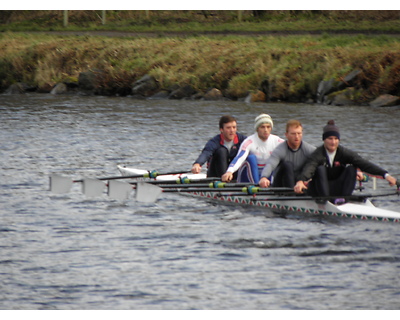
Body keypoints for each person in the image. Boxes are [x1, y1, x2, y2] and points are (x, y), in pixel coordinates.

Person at [294, 120, 397, 200]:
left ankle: (343, 199)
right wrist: (300, 181)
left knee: (352, 168)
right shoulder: (318, 154)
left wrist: (386, 175)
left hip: (337, 188)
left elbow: (364, 164)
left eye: (336, 139)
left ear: (339, 140)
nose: (333, 142)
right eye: (330, 139)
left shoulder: (344, 153)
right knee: (320, 169)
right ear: (324, 139)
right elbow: (309, 167)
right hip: (319, 190)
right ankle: (324, 200)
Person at [221, 113, 284, 183]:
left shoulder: (277, 141)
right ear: (257, 129)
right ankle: (257, 186)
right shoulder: (249, 141)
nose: (266, 130)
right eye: (262, 127)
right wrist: (229, 171)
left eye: (268, 127)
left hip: (266, 176)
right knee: (251, 158)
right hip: (248, 178)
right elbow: (239, 157)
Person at [259, 119, 316, 188]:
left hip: (300, 183)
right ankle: (291, 194)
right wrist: (264, 177)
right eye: (293, 134)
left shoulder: (308, 149)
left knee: (319, 167)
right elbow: (270, 164)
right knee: (288, 165)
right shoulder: (280, 150)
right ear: (286, 135)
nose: (297, 137)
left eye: (299, 133)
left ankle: (324, 196)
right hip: (281, 184)